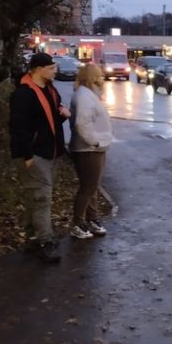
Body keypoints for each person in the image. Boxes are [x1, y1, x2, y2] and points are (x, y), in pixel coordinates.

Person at [9, 52, 71, 263]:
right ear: (39, 70)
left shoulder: (50, 90)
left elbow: (50, 122)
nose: (56, 71)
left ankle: (32, 237)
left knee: (34, 197)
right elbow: (18, 128)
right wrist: (27, 155)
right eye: (52, 68)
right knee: (42, 197)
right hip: (34, 155)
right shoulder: (23, 94)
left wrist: (61, 113)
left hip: (49, 152)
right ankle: (46, 242)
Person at [69, 64, 113, 239]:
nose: (102, 78)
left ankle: (92, 219)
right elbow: (82, 123)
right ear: (92, 77)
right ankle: (78, 223)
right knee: (88, 187)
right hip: (88, 149)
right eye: (100, 75)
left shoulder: (89, 94)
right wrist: (95, 142)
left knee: (93, 186)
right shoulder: (84, 96)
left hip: (93, 148)